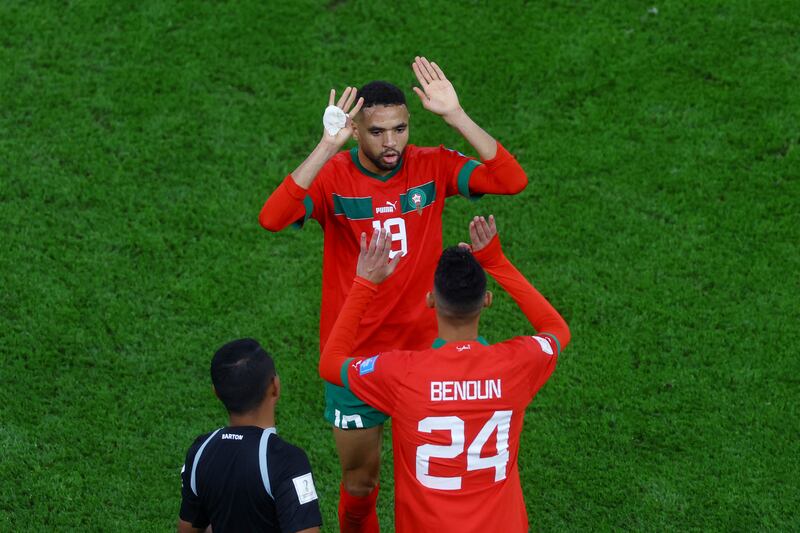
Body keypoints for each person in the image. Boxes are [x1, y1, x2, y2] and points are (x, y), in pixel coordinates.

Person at [258, 56, 528, 532]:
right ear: (355, 130)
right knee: (360, 483)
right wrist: (324, 147)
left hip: (423, 357)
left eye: (400, 129)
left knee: (425, 479)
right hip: (354, 358)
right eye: (378, 131)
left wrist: (457, 116)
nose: (392, 143)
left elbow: (511, 180)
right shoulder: (333, 178)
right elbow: (272, 217)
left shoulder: (432, 165)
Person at [318, 216, 571, 533]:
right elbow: (557, 330)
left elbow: (331, 363)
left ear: (430, 300)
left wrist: (365, 283)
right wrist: (496, 261)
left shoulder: (401, 373)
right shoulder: (517, 364)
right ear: (487, 301)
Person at [178, 339, 322, 533]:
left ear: (216, 393)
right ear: (275, 386)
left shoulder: (200, 452)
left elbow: (188, 529)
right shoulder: (287, 461)